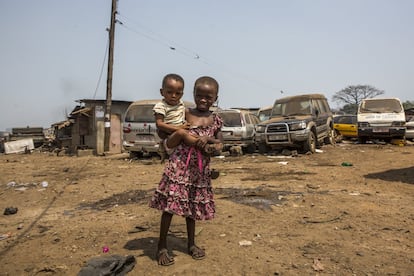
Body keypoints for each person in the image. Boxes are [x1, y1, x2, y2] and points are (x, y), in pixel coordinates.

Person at [149, 76, 223, 266]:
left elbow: (220, 144)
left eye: (209, 97)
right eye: (199, 96)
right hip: (179, 166)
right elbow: (164, 131)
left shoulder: (215, 120)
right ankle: (162, 246)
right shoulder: (184, 113)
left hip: (200, 170)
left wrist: (210, 143)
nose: (203, 100)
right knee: (169, 206)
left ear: (215, 98)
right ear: (194, 95)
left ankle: (191, 244)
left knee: (193, 207)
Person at [154, 73, 218, 162]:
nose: (173, 96)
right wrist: (177, 129)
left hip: (199, 166)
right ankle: (203, 146)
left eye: (177, 93)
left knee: (191, 135)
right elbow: (159, 125)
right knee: (182, 133)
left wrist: (207, 139)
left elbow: (219, 142)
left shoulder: (180, 106)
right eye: (199, 96)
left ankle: (202, 146)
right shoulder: (165, 107)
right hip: (177, 159)